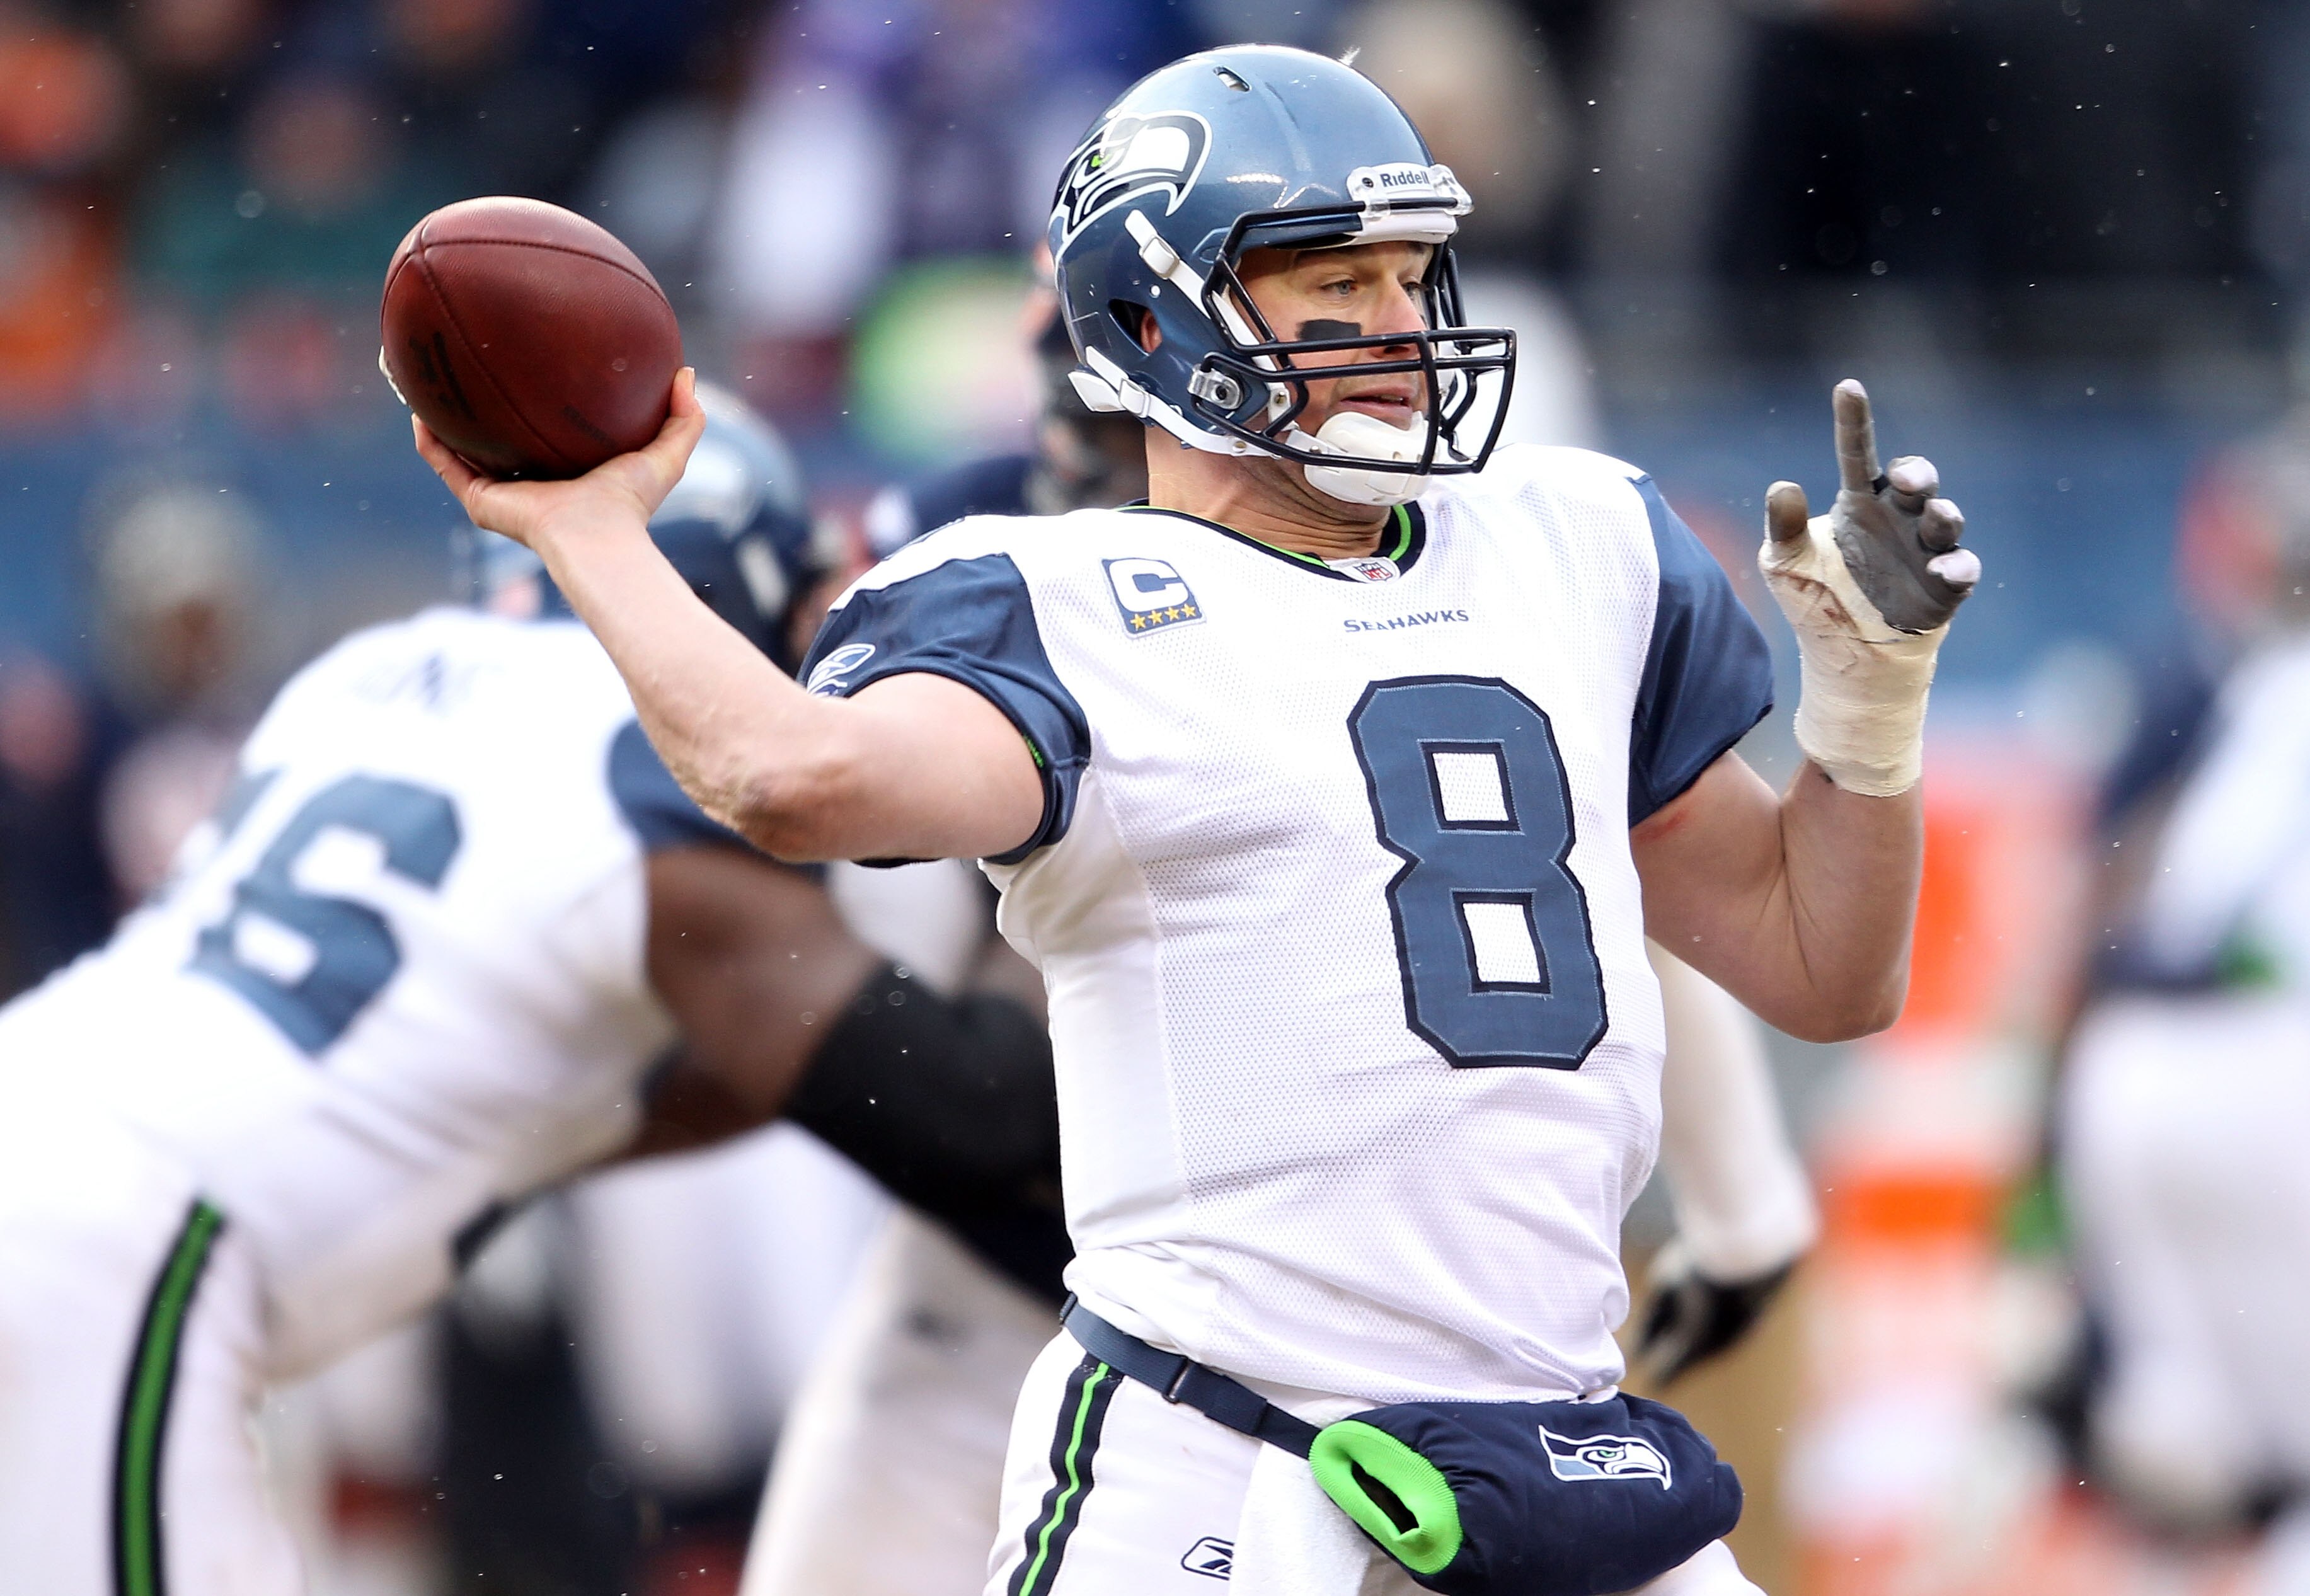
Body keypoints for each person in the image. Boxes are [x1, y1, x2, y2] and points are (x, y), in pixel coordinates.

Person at [418, 45, 1977, 1596]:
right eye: (1328, 285)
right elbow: (791, 776)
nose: (1393, 327)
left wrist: (1868, 711)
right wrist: (588, 523)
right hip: (1222, 1460)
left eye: (1405, 272)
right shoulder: (1065, 601)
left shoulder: (1578, 541)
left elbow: (1822, 971)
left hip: (1544, 1460)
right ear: (1154, 320)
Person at [0, 386, 1059, 1596]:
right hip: (128, 1243)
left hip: (51, 1135)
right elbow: (962, 1112)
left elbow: (582, 1072)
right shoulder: (645, 779)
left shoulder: (367, 671)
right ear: (730, 582)